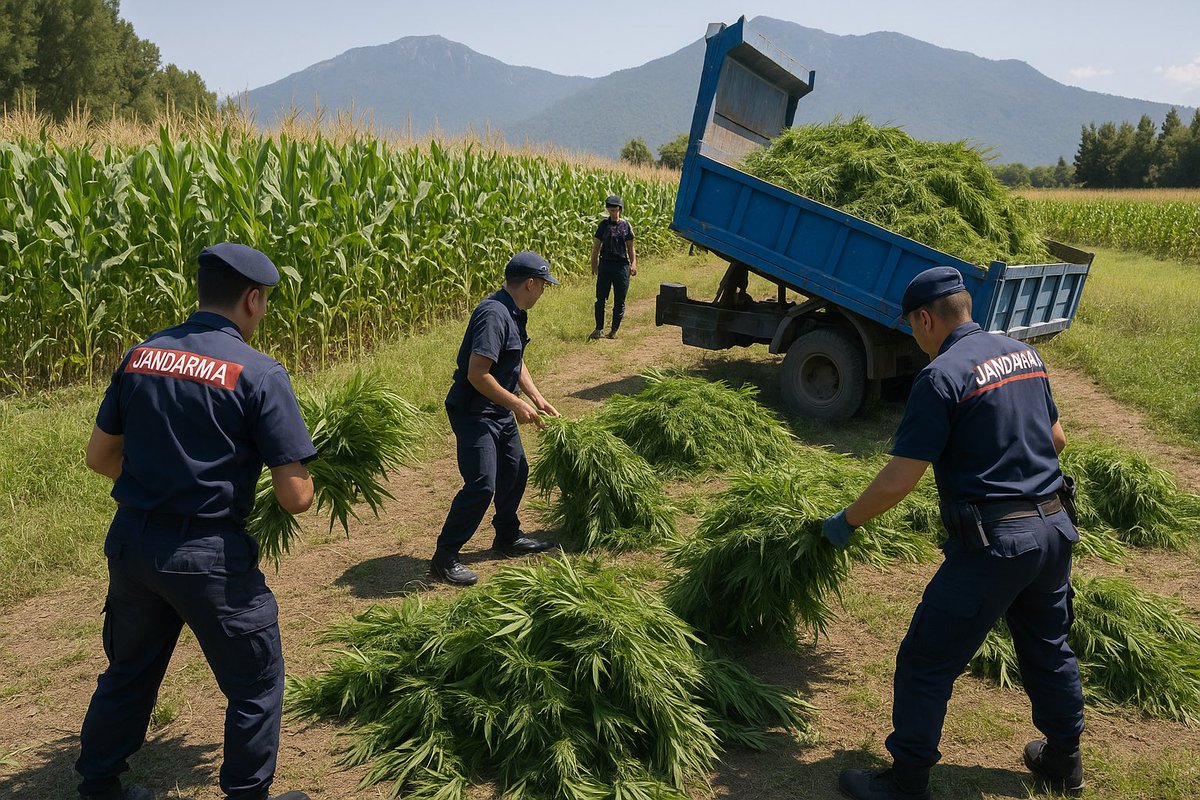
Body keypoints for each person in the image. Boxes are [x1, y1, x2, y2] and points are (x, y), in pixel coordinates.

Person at [822, 267, 1085, 800]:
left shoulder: (941, 376)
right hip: (1055, 527)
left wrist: (846, 520)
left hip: (998, 543)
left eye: (913, 329)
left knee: (925, 658)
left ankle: (906, 780)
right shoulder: (1023, 353)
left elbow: (900, 479)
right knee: (1048, 646)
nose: (916, 340)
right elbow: (1055, 439)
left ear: (925, 319)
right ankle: (1063, 760)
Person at [75, 243, 317, 800]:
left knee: (129, 670)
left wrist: (159, 492)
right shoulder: (259, 373)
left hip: (134, 545)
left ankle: (99, 785)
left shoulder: (142, 356)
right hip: (209, 558)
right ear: (253, 299)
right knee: (256, 682)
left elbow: (99, 457)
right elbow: (295, 497)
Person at [430, 250, 561, 586]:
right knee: (482, 483)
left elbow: (514, 361)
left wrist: (535, 396)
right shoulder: (494, 315)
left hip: (498, 408)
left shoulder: (514, 311)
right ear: (530, 284)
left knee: (516, 469)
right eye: (543, 285)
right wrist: (516, 405)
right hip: (475, 411)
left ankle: (507, 536)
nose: (543, 291)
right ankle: (445, 556)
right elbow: (477, 374)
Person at [589, 194, 637, 340]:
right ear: (608, 209)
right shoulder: (603, 225)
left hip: (621, 266)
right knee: (600, 299)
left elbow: (630, 247)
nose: (613, 209)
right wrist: (594, 264)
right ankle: (599, 329)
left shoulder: (626, 226)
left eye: (615, 207)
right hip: (605, 265)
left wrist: (633, 263)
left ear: (620, 209)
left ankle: (614, 330)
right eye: (610, 207)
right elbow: (596, 247)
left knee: (619, 300)